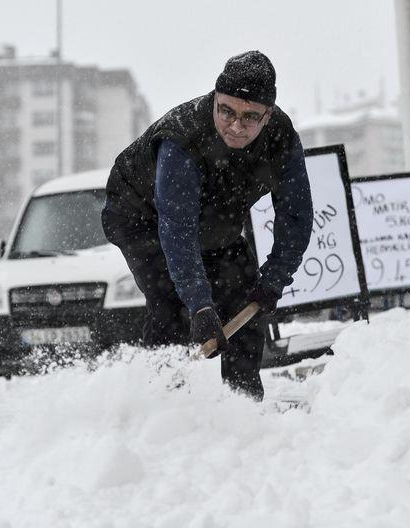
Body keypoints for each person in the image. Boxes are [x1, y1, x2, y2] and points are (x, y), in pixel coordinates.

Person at [101, 51, 313, 401]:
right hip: (140, 215)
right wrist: (200, 305)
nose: (235, 125)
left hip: (215, 212)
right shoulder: (183, 139)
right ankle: (160, 404)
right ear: (215, 98)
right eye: (226, 111)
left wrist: (275, 278)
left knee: (247, 294)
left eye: (250, 117)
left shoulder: (281, 138)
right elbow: (177, 230)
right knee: (170, 302)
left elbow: (296, 215)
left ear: (267, 116)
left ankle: (243, 404)